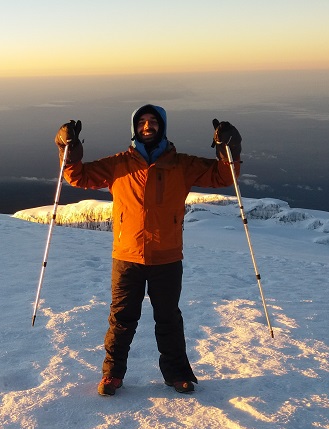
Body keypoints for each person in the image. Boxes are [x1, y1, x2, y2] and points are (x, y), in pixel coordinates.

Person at [54, 104, 242, 396]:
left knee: (168, 318)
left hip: (166, 256)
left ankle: (178, 374)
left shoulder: (181, 164)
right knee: (121, 319)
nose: (147, 126)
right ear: (134, 128)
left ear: (162, 127)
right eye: (142, 122)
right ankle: (112, 376)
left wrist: (229, 145)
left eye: (153, 121)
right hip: (127, 256)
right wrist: (69, 146)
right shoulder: (119, 164)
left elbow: (223, 176)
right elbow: (77, 176)